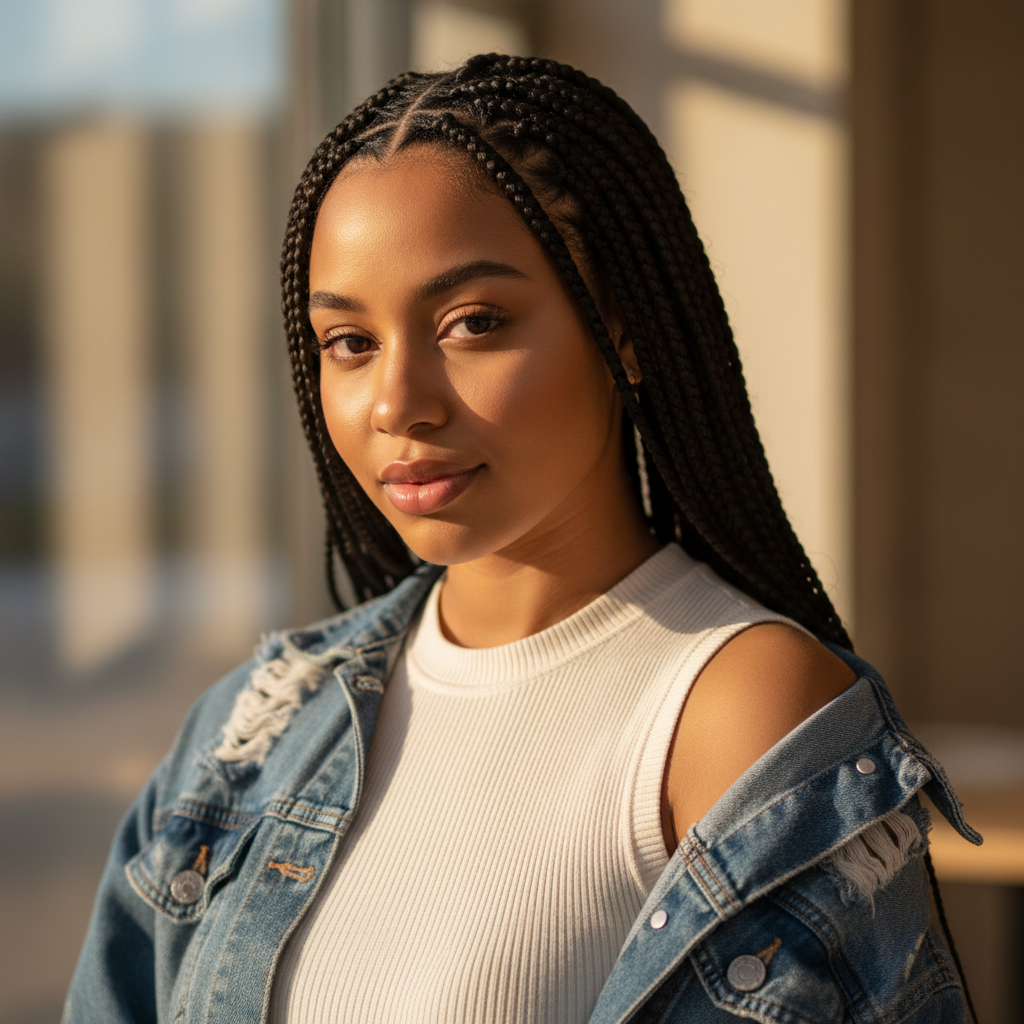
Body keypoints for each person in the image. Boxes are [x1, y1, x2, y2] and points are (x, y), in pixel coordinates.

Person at [64, 54, 980, 1024]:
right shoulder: (252, 732)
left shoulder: (734, 713)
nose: (396, 404)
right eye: (350, 342)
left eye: (472, 321)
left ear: (619, 327)